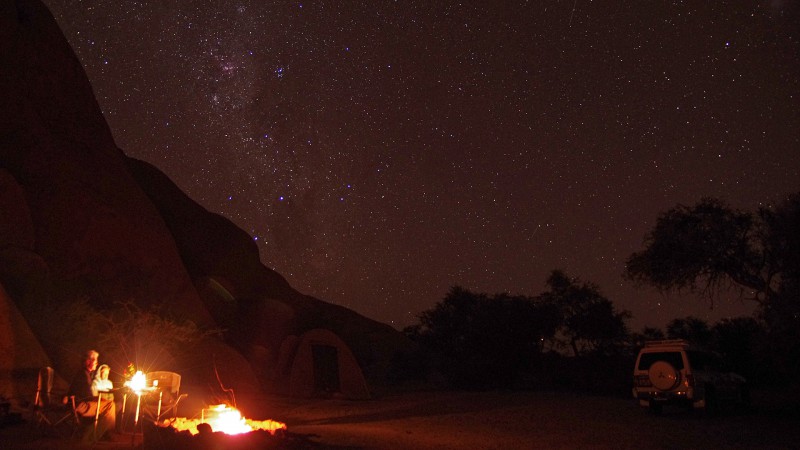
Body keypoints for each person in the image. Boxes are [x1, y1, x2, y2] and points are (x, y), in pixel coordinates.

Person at [68, 350, 116, 443]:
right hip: (80, 405)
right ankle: (90, 437)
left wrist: (100, 399)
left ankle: (101, 433)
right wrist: (99, 399)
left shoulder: (85, 374)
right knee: (110, 406)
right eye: (94, 360)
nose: (96, 362)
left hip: (82, 403)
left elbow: (87, 394)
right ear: (87, 361)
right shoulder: (83, 375)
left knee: (109, 405)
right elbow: (87, 396)